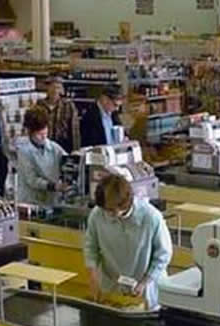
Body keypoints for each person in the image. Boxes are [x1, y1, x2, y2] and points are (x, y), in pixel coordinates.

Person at [84, 174, 172, 310]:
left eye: (114, 210)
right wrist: (93, 275)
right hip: (111, 286)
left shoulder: (151, 217)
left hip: (145, 287)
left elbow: (163, 255)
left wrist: (144, 282)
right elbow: (91, 247)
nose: (111, 214)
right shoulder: (97, 215)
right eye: (107, 210)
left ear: (126, 202)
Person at [16, 106, 68, 207]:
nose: (43, 137)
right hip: (31, 201)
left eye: (45, 133)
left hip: (51, 200)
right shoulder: (24, 152)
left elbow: (68, 160)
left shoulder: (54, 148)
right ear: (30, 133)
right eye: (39, 134)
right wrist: (53, 186)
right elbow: (31, 180)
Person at [37, 76, 81, 153]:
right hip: (43, 144)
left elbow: (74, 130)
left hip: (63, 145)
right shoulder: (39, 105)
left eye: (57, 88)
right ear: (47, 88)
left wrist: (76, 150)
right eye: (52, 87)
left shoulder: (68, 105)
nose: (54, 90)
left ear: (61, 90)